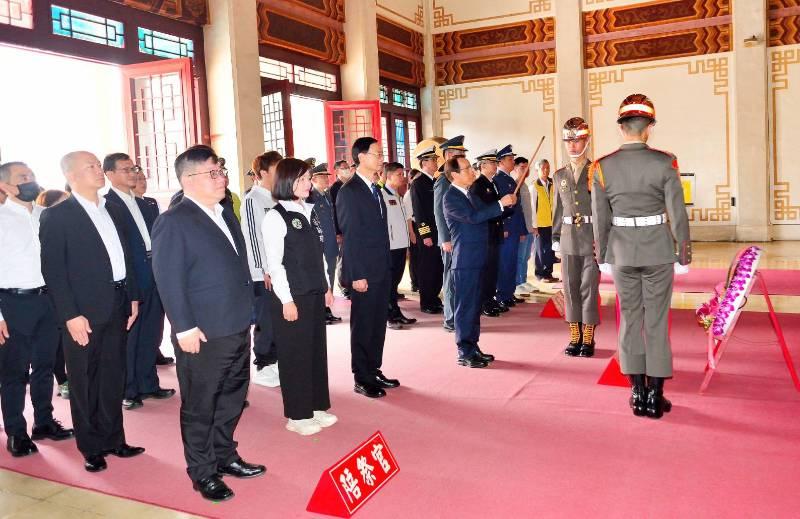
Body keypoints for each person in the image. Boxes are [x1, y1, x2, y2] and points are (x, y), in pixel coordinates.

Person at [152, 145, 264, 501]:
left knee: (232, 397)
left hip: (234, 322)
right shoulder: (174, 220)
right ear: (188, 179)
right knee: (200, 404)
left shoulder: (225, 213)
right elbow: (169, 279)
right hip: (201, 332)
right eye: (213, 173)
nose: (222, 178)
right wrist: (183, 327)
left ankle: (225, 455)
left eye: (222, 171)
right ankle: (202, 472)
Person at [40, 151, 143, 473]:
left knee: (113, 374)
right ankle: (91, 445)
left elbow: (126, 256)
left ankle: (114, 438)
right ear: (71, 176)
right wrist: (70, 315)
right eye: (91, 167)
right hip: (82, 312)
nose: (99, 171)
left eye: (99, 165)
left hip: (117, 301)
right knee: (84, 380)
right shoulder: (58, 216)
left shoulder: (111, 208)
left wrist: (134, 297)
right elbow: (54, 271)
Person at [591, 94, 691, 419]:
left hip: (621, 250)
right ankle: (655, 396)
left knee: (630, 317)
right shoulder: (665, 162)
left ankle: (637, 392)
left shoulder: (603, 166)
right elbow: (677, 213)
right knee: (657, 320)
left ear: (622, 128)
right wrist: (683, 252)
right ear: (648, 128)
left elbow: (600, 216)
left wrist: (602, 252)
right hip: (658, 250)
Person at [0, 163, 74, 459]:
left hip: (48, 301)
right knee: (14, 372)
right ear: (5, 186)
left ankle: (43, 421)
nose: (30, 181)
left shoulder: (46, 216)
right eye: (22, 178)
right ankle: (16, 432)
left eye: (31, 175)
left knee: (45, 366)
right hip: (12, 303)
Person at [262, 158, 336, 436]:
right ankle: (297, 415)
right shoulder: (276, 216)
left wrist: (327, 286)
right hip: (292, 296)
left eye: (308, 178)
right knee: (295, 355)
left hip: (314, 291)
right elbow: (275, 263)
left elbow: (319, 255)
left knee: (315, 351)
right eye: (303, 179)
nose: (309, 183)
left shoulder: (310, 211)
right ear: (287, 182)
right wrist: (286, 300)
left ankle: (316, 406)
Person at [103, 154, 175, 410]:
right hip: (131, 276)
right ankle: (129, 388)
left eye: (134, 168)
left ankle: (148, 383)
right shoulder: (106, 205)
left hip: (155, 271)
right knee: (131, 336)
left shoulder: (148, 204)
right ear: (109, 174)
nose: (133, 173)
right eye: (125, 170)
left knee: (152, 333)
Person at [336, 137, 399, 399]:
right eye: (377, 153)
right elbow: (351, 237)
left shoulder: (375, 188)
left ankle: (374, 368)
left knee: (377, 323)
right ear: (361, 157)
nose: (381, 157)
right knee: (363, 324)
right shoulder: (349, 192)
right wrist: (357, 275)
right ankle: (362, 376)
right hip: (364, 272)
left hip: (380, 268)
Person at [443, 157, 516, 368]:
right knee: (465, 307)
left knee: (475, 306)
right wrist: (500, 204)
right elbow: (474, 217)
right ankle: (464, 351)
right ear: (455, 175)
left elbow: (487, 214)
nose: (472, 172)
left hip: (478, 257)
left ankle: (473, 347)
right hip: (465, 261)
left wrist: (505, 205)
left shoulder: (469, 194)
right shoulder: (451, 197)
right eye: (467, 169)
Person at [552, 118, 599, 358]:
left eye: (577, 140)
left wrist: (603, 240)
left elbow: (603, 208)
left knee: (588, 287)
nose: (572, 145)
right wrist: (555, 238)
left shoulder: (596, 171)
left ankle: (588, 338)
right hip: (569, 237)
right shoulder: (559, 175)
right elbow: (558, 209)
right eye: (568, 141)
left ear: (587, 141)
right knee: (570, 288)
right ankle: (575, 336)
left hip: (591, 237)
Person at [242, 151, 282, 388]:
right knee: (265, 319)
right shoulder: (253, 199)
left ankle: (277, 359)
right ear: (263, 173)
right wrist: (263, 269)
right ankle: (264, 363)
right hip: (263, 273)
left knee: (278, 317)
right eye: (277, 169)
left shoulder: (277, 199)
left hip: (279, 270)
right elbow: (253, 237)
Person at [132, 171, 173, 366]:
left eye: (143, 179)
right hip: (139, 269)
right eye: (137, 179)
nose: (141, 182)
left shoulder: (150, 202)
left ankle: (153, 355)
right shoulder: (117, 204)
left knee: (156, 320)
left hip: (155, 263)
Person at [34, 189, 71, 399]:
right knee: (53, 344)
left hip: (63, 290)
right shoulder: (43, 224)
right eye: (63, 203)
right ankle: (62, 379)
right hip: (44, 292)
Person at [435, 136, 468, 331]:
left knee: (459, 278)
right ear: (448, 155)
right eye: (458, 154)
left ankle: (459, 314)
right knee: (450, 278)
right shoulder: (443, 181)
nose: (462, 157)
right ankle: (450, 319)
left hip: (460, 237)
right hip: (450, 239)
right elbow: (438, 211)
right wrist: (445, 239)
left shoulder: (457, 178)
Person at [469, 150, 504, 317]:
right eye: (492, 163)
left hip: (494, 232)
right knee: (486, 270)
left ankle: (490, 298)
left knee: (493, 269)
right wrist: (501, 206)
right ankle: (484, 302)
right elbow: (483, 211)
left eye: (496, 162)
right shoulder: (478, 185)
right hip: (486, 233)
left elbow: (497, 209)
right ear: (483, 165)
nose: (495, 165)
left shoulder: (492, 183)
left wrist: (508, 206)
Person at [381, 162, 416, 329]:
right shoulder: (382, 195)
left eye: (403, 174)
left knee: (395, 283)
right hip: (390, 246)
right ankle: (390, 316)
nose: (402, 178)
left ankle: (396, 312)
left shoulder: (397, 195)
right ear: (388, 176)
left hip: (401, 245)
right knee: (389, 283)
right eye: (399, 175)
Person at [410, 145, 444, 314]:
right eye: (433, 160)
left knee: (438, 266)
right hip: (428, 233)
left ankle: (435, 297)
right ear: (424, 163)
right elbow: (419, 212)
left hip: (439, 231)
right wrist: (425, 235)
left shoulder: (435, 181)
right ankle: (426, 301)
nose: (436, 162)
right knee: (427, 268)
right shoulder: (418, 183)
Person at [308, 163, 343, 325]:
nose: (326, 180)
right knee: (322, 276)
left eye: (327, 177)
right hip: (320, 245)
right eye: (322, 177)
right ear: (313, 179)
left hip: (330, 244)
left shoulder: (326, 195)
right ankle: (321, 310)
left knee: (330, 275)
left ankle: (327, 308)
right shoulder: (310, 198)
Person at [494, 145, 526, 308]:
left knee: (512, 261)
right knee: (505, 262)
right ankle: (501, 294)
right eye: (510, 159)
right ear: (500, 162)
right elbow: (500, 207)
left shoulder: (509, 180)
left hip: (514, 228)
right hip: (506, 229)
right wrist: (504, 228)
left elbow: (517, 208)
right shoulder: (498, 180)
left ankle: (509, 292)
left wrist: (521, 229)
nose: (513, 161)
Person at [531, 159, 558, 284]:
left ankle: (549, 273)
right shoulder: (534, 187)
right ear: (537, 170)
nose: (546, 170)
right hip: (540, 224)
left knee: (551, 249)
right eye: (543, 168)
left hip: (552, 222)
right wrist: (534, 226)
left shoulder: (553, 184)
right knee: (540, 250)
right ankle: (540, 274)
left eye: (548, 167)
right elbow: (532, 207)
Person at [330, 159, 353, 299]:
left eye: (347, 167)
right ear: (337, 171)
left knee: (351, 258)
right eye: (343, 168)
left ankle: (350, 283)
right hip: (342, 230)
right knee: (342, 260)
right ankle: (343, 286)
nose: (347, 169)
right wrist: (338, 232)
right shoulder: (335, 188)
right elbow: (335, 212)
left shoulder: (350, 185)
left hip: (351, 229)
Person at [513, 156, 536, 297]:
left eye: (527, 167)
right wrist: (521, 230)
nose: (525, 170)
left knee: (526, 257)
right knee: (520, 257)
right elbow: (517, 212)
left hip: (529, 228)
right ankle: (517, 283)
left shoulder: (525, 185)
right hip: (522, 229)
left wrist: (532, 227)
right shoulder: (516, 186)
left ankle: (523, 280)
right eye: (522, 167)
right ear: (515, 168)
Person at [404, 169, 420, 292]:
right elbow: (408, 216)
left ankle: (419, 280)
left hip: (421, 225)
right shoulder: (409, 194)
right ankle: (414, 282)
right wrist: (411, 233)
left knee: (421, 256)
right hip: (413, 226)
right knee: (414, 257)